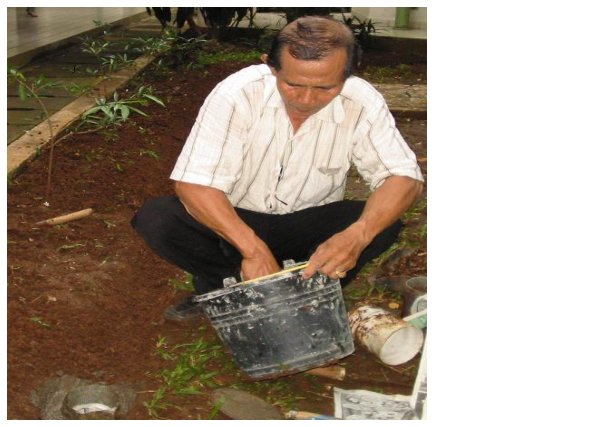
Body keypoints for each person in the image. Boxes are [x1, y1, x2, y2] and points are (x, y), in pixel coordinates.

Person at [132, 16, 424, 321]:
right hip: (236, 222)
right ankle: (226, 287)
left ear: (348, 73)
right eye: (293, 84)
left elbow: (404, 178)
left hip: (308, 225)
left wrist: (357, 235)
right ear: (271, 67)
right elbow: (194, 184)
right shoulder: (237, 93)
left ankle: (310, 290)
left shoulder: (362, 101)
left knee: (381, 223)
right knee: (159, 219)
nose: (307, 99)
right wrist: (253, 250)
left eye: (325, 87)